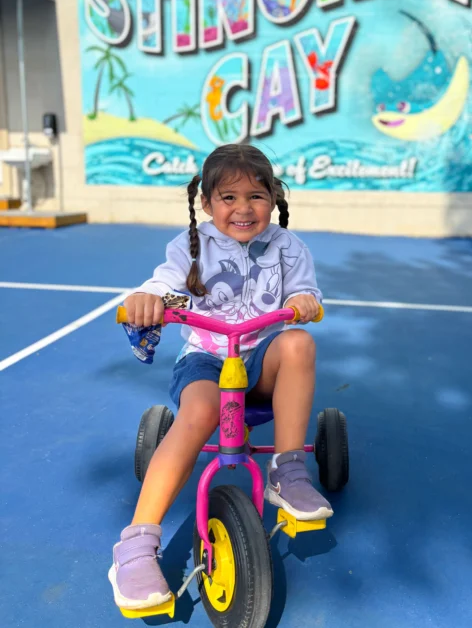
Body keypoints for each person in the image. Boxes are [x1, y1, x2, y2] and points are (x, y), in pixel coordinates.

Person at [109, 143, 332, 611]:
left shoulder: (288, 247)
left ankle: (287, 469)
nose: (243, 208)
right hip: (206, 361)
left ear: (274, 198)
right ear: (207, 204)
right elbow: (163, 283)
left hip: (262, 360)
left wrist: (306, 300)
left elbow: (304, 291)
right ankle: (134, 546)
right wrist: (148, 299)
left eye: (256, 195)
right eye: (228, 198)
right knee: (202, 411)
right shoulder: (191, 248)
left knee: (298, 343)